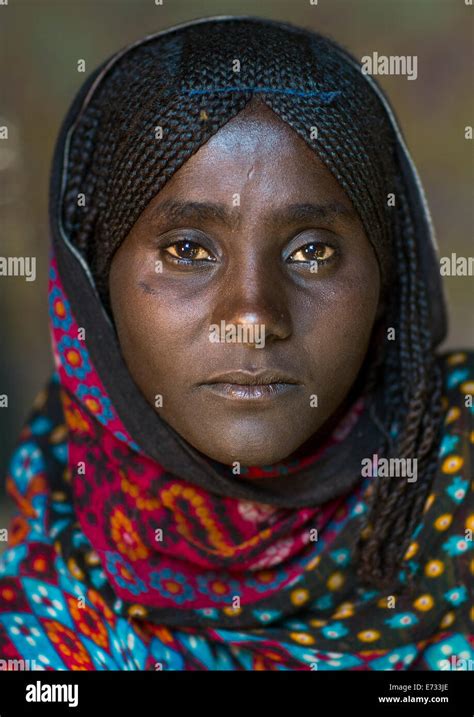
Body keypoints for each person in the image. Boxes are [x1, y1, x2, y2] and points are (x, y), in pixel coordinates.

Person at [0, 15, 472, 671]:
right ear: (94, 284)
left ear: (387, 278)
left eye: (313, 250)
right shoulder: (49, 567)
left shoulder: (455, 475)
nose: (252, 315)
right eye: (187, 249)